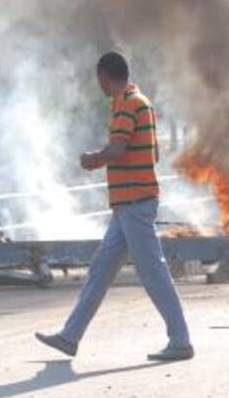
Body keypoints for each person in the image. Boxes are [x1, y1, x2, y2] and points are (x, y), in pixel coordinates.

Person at [35, 52, 193, 362]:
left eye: (100, 79)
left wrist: (92, 159)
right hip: (128, 206)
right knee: (101, 270)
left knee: (153, 272)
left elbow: (118, 149)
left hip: (134, 203)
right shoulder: (138, 102)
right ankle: (70, 337)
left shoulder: (129, 104)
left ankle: (180, 340)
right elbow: (150, 154)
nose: (100, 85)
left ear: (104, 76)